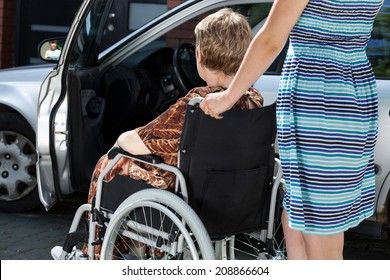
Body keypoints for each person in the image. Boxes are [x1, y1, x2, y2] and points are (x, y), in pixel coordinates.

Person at [51, 8, 264, 260]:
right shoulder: (253, 100)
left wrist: (119, 143)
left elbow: (134, 141)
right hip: (234, 199)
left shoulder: (198, 104)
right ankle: (136, 249)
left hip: (189, 197)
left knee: (111, 161)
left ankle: (93, 252)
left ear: (201, 55)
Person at [200, 0, 383, 260]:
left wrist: (228, 96)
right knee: (301, 213)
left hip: (317, 99)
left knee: (322, 233)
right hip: (355, 94)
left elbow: (272, 39)